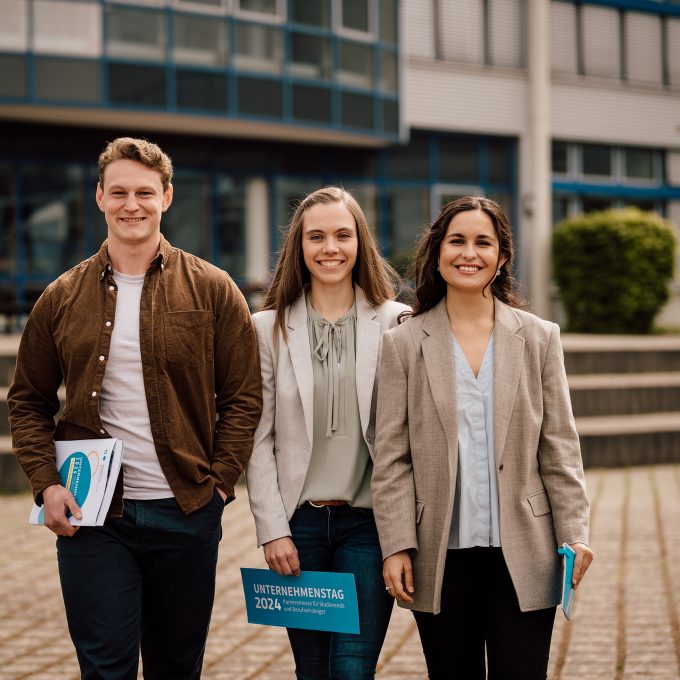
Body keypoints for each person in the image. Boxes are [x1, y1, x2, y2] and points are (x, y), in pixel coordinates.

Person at [8, 137, 263, 679]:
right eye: (119, 191)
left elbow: (243, 398)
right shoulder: (60, 297)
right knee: (105, 668)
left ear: (166, 197)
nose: (132, 204)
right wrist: (46, 483)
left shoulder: (215, 290)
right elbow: (28, 400)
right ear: (99, 197)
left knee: (176, 666)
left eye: (144, 192)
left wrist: (219, 482)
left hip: (186, 511)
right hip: (94, 517)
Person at [371, 196, 593, 679]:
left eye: (482, 243)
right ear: (436, 252)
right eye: (456, 241)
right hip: (438, 553)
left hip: (527, 550)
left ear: (502, 257)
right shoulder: (403, 343)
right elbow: (391, 458)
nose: (468, 253)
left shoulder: (539, 337)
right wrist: (395, 544)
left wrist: (575, 534)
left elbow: (560, 447)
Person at [246, 187, 409, 680]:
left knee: (353, 670)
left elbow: (407, 438)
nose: (330, 247)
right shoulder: (266, 328)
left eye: (343, 234)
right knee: (312, 671)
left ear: (361, 242)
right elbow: (258, 439)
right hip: (300, 529)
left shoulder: (397, 324)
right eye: (316, 236)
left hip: (370, 527)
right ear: (299, 246)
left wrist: (403, 536)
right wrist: (272, 529)